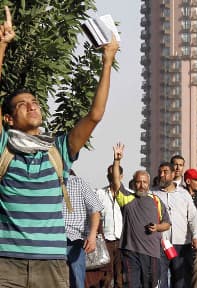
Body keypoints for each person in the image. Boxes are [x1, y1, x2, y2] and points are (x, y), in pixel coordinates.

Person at [0, 7, 119, 287]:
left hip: (52, 261)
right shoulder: (5, 149)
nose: (32, 106)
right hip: (7, 262)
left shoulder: (58, 151)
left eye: (35, 102)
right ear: (8, 119)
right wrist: (2, 46)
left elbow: (95, 115)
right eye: (22, 104)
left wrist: (107, 59)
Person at [112, 144, 171, 288]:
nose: (141, 185)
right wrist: (117, 161)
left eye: (145, 182)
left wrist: (157, 227)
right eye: (138, 182)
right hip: (131, 252)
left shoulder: (156, 200)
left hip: (153, 254)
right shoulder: (126, 199)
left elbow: (167, 223)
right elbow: (115, 182)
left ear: (149, 183)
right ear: (134, 183)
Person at [152, 162, 197, 288]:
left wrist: (196, 236)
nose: (162, 175)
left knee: (181, 282)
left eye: (165, 172)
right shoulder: (153, 194)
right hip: (160, 244)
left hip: (181, 245)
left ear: (173, 174)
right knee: (160, 281)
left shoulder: (184, 194)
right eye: (160, 172)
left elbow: (193, 217)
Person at [64, 171, 103, 288]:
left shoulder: (79, 183)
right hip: (53, 240)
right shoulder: (48, 183)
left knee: (76, 281)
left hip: (75, 241)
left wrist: (92, 236)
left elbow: (95, 210)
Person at [93, 154, 125, 288]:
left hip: (122, 241)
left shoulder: (127, 194)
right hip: (105, 241)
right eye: (109, 174)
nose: (111, 177)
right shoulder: (99, 194)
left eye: (114, 174)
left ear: (121, 176)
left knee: (121, 276)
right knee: (106, 276)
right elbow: (94, 215)